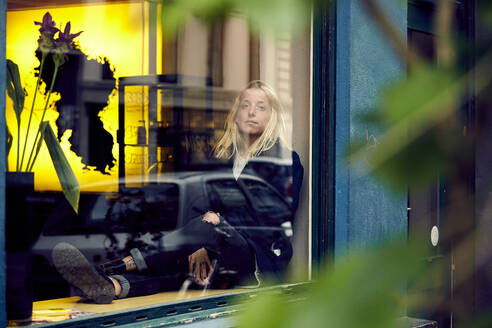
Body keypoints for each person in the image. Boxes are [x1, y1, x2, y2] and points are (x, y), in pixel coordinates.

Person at [52, 80, 303, 304]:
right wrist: (199, 245)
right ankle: (112, 286)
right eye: (245, 105)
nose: (251, 112)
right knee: (173, 271)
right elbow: (199, 206)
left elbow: (272, 218)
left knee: (207, 226)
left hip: (261, 258)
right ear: (235, 115)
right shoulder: (221, 158)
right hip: (220, 251)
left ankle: (114, 265)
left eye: (261, 107)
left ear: (273, 116)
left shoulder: (284, 162)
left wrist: (218, 224)